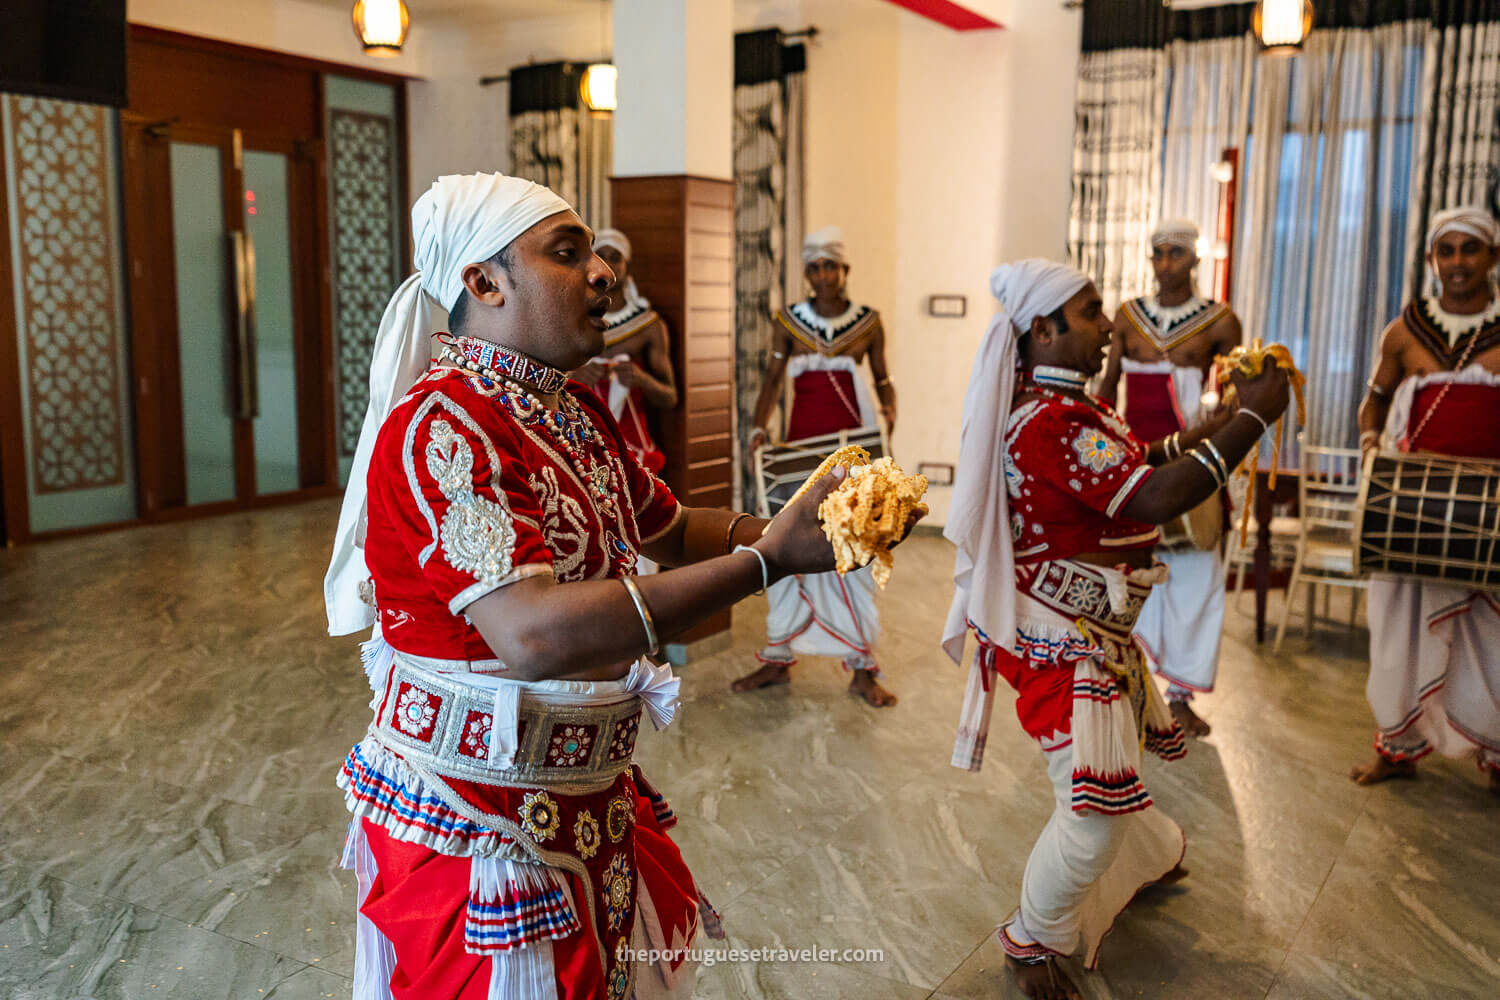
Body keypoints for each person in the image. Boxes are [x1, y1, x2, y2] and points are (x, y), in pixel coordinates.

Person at [322, 173, 887, 1000]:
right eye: (567, 253)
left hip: (584, 788)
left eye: (593, 251)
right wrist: (768, 564)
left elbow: (662, 523)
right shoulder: (440, 425)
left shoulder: (571, 410)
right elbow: (534, 634)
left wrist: (789, 524)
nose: (603, 272)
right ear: (484, 281)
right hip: (482, 819)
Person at [942, 259, 1289, 999]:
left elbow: (1139, 460)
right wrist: (1254, 420)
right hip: (1061, 643)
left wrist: (1217, 425)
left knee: (1114, 766)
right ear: (1043, 328)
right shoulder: (1051, 422)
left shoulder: (1076, 412)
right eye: (1092, 311)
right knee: (1090, 809)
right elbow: (1154, 496)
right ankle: (1030, 941)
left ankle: (1150, 852)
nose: (1108, 325)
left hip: (1091, 633)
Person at [1351, 205, 1500, 795]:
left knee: (1491, 638)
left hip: (1488, 514)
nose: (1457, 262)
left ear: (1492, 257)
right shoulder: (1404, 331)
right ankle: (1397, 746)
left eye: (1470, 249)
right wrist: (1369, 446)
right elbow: (1374, 405)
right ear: (1433, 259)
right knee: (1398, 633)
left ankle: (1494, 752)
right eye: (1447, 250)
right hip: (1411, 510)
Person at [733, 226, 899, 707]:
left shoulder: (869, 322)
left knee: (857, 550)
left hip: (855, 451)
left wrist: (889, 414)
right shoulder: (788, 322)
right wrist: (758, 431)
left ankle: (863, 669)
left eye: (831, 265)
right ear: (806, 272)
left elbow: (884, 381)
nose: (823, 275)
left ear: (845, 270)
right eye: (814, 267)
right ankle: (777, 659)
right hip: (799, 457)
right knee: (789, 547)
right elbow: (770, 383)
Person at [1097, 219, 1242, 737]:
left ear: (1194, 260)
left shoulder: (1221, 322)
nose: (1164, 263)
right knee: (1126, 571)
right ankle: (1125, 684)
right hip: (1133, 460)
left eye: (1175, 253)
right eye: (1157, 253)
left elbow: (1230, 398)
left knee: (1195, 575)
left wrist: (1216, 454)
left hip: (1193, 463)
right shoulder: (1128, 317)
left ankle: (1179, 695)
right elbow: (1108, 385)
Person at [574, 227, 677, 476]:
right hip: (582, 441)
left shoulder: (648, 326)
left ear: (627, 265)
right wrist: (575, 376)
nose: (608, 264)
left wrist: (642, 380)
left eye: (615, 257)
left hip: (632, 444)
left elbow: (670, 397)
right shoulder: (573, 319)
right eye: (601, 256)